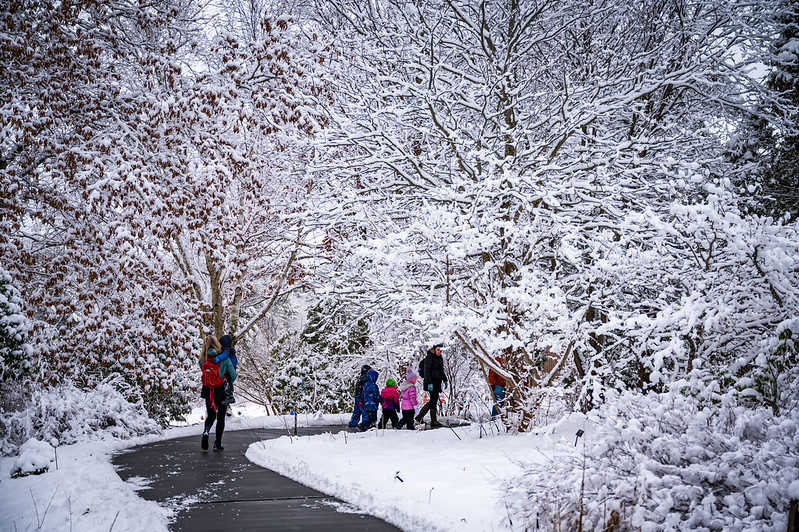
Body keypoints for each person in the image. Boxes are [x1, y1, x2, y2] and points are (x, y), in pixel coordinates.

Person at [199, 334, 237, 452]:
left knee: (210, 415)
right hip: (221, 391)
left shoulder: (202, 359)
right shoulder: (224, 358)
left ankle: (206, 431)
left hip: (208, 390)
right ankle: (217, 444)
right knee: (220, 417)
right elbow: (233, 375)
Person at [415, 343, 447, 428]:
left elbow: (441, 370)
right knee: (433, 399)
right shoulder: (430, 357)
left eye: (440, 350)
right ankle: (423, 417)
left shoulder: (440, 358)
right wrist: (429, 383)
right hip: (431, 382)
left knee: (434, 399)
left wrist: (445, 379)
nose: (439, 352)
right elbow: (427, 371)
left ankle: (428, 418)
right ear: (434, 349)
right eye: (438, 350)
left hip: (437, 382)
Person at [214, 334, 237, 407]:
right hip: (231, 366)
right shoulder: (228, 349)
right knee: (227, 380)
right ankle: (228, 396)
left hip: (230, 367)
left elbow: (224, 355)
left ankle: (230, 395)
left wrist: (217, 358)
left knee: (226, 379)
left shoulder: (226, 350)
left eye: (220, 343)